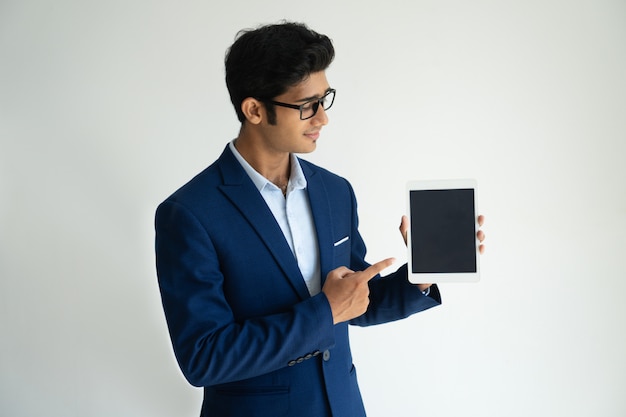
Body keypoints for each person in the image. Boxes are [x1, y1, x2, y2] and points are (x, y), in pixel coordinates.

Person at [155, 21, 485, 417]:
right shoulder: (189, 214)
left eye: (324, 99)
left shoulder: (334, 191)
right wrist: (324, 311)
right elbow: (204, 358)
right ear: (254, 109)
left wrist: (425, 270)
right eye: (306, 105)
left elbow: (357, 299)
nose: (322, 119)